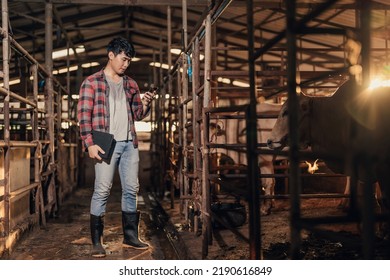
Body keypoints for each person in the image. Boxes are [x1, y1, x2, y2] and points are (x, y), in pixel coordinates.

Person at [77, 37, 155, 258]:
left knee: (131, 189)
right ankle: (97, 242)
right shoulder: (92, 82)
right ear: (110, 55)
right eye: (123, 59)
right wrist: (89, 143)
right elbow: (83, 117)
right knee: (102, 190)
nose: (126, 64)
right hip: (105, 144)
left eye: (129, 60)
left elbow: (138, 114)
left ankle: (130, 236)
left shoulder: (131, 84)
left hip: (130, 143)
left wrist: (146, 102)